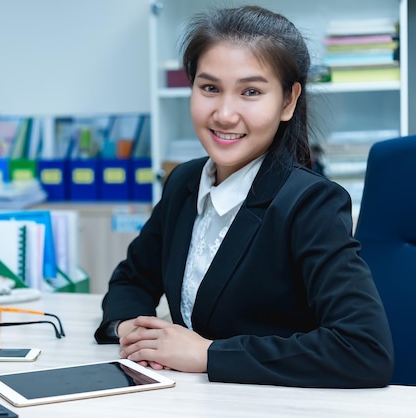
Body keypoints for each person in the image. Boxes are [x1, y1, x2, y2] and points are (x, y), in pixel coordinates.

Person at [95, 5, 394, 388]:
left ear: (288, 102)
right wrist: (130, 328)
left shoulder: (310, 203)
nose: (224, 113)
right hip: (184, 400)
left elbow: (363, 350)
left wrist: (207, 355)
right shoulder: (184, 182)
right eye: (209, 88)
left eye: (250, 91)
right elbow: (132, 279)